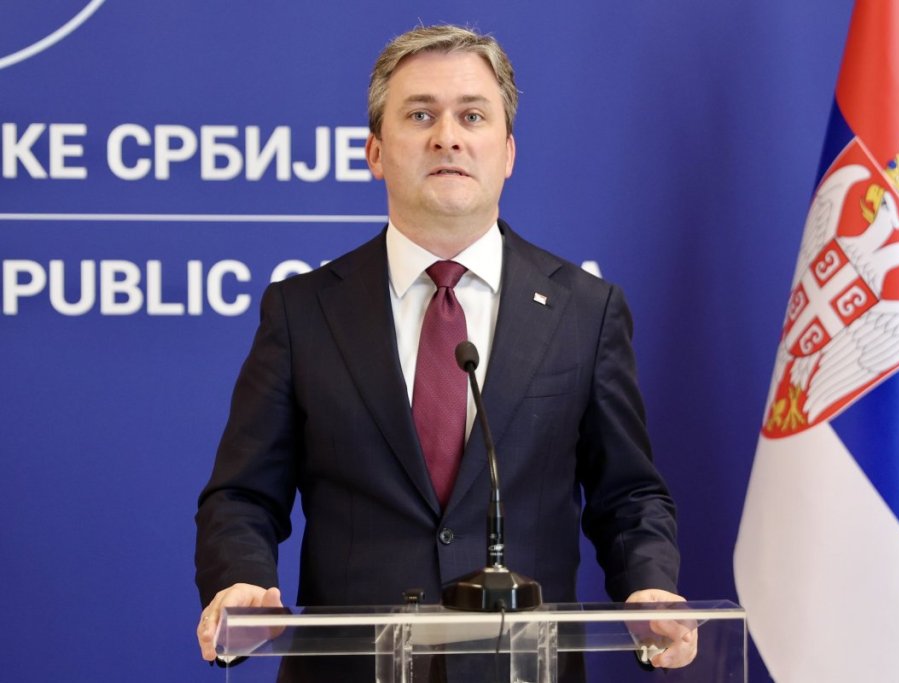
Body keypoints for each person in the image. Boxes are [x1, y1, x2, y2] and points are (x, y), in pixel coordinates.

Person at [195, 23, 696, 679]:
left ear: (507, 151)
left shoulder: (585, 309)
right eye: (420, 115)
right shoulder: (302, 311)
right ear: (376, 151)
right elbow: (242, 496)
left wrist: (649, 584)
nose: (448, 137)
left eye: (472, 116)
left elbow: (627, 495)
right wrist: (240, 581)